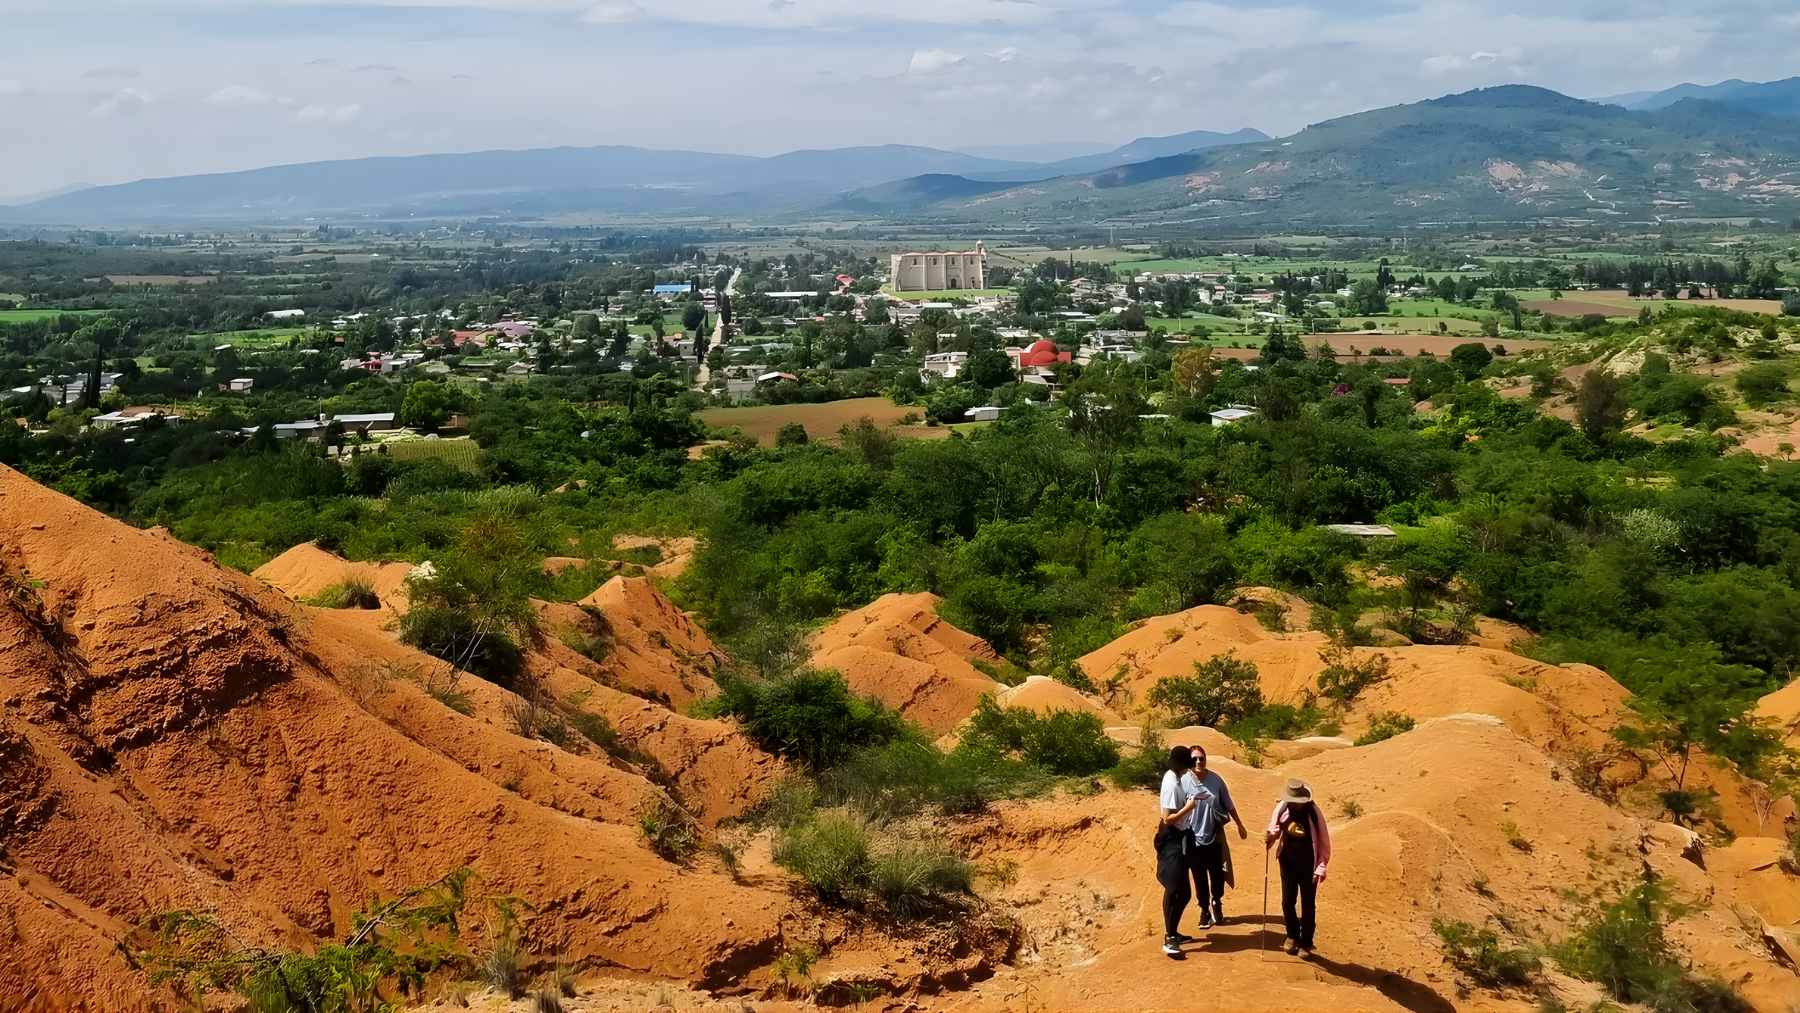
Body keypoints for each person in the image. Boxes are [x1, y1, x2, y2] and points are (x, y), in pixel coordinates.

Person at [1265, 778, 1331, 958]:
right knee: (1288, 902)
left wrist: (1321, 867)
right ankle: (1292, 936)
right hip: (1287, 863)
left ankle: (1306, 942)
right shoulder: (1282, 808)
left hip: (1309, 865)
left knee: (1308, 905)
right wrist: (1270, 837)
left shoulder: (1313, 813)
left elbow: (1324, 841)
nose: (1297, 805)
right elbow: (1275, 828)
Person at [1156, 746, 1211, 957]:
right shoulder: (1171, 783)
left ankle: (1173, 932)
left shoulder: (1177, 778)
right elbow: (1166, 818)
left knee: (1183, 891)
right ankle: (1170, 938)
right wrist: (1189, 807)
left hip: (1181, 837)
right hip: (1171, 839)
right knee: (1174, 889)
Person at [1187, 746, 1248, 929]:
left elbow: (1228, 804)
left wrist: (1239, 824)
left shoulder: (1216, 780)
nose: (1199, 762)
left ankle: (1217, 903)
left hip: (1214, 837)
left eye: (1201, 758)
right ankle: (1204, 910)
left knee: (1217, 874)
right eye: (1195, 759)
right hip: (1193, 838)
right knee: (1199, 877)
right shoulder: (1184, 781)